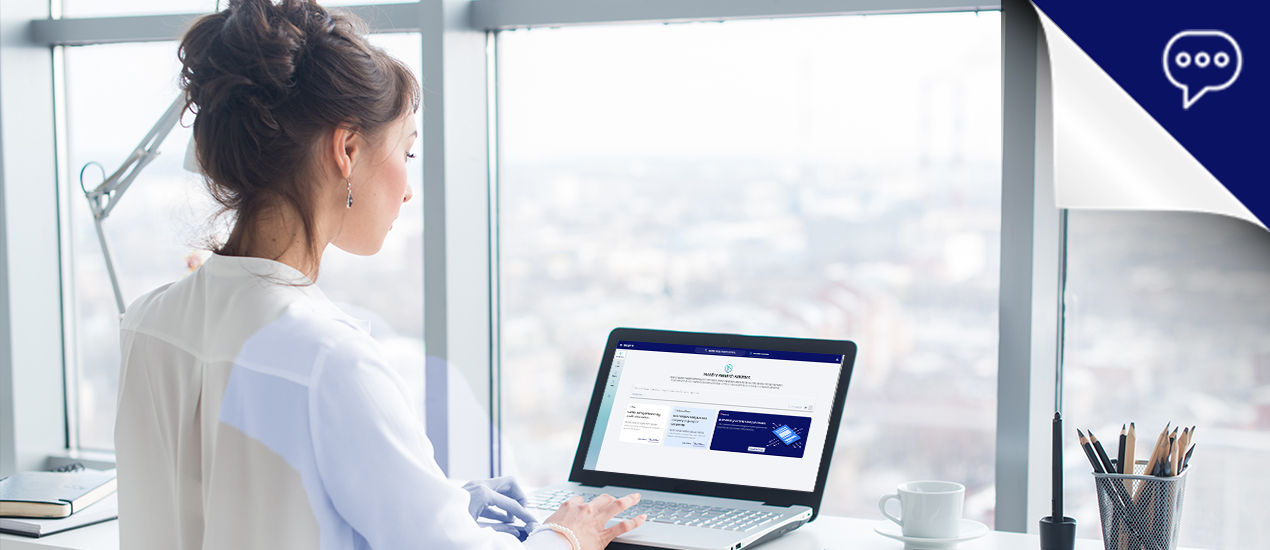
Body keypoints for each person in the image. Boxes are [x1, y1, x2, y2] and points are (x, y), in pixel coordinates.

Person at [114, 1, 646, 548]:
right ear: (346, 149)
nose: (408, 188)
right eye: (408, 152)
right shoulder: (330, 358)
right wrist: (568, 535)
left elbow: (240, 498)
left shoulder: (147, 322)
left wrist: (437, 503)